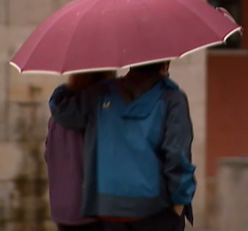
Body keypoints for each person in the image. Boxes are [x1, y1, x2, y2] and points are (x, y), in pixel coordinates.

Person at [49, 62, 196, 231]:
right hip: (156, 208)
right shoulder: (172, 98)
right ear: (165, 65)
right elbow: (177, 155)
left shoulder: (103, 93)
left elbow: (65, 110)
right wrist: (179, 203)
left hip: (110, 206)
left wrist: (65, 89)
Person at [45, 71, 116, 231]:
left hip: (62, 208)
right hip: (93, 207)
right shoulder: (99, 113)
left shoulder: (57, 114)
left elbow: (48, 155)